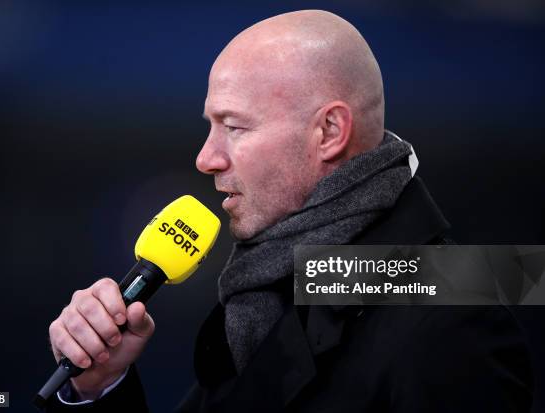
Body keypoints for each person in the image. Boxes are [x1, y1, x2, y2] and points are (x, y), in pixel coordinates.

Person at [44, 10, 533, 412]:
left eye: (234, 126)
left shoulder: (450, 312)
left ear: (328, 133)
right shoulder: (269, 292)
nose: (206, 158)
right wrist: (101, 388)